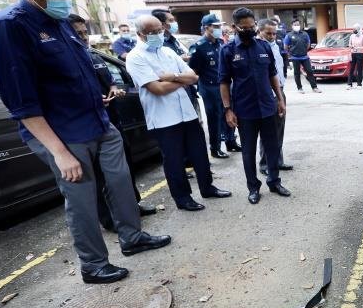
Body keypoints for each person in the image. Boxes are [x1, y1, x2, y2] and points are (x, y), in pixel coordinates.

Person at [0, 0, 170, 284]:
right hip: (64, 133)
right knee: (82, 200)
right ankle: (94, 264)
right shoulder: (11, 26)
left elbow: (74, 73)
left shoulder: (59, 23)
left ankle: (133, 237)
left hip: (99, 121)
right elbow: (20, 101)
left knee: (121, 184)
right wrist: (58, 152)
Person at [126, 14, 231, 211]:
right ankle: (183, 198)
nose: (159, 34)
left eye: (160, 30)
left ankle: (207, 187)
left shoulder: (167, 52)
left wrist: (172, 77)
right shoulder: (135, 57)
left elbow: (193, 77)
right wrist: (180, 81)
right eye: (153, 32)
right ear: (140, 34)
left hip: (186, 113)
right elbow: (156, 89)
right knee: (174, 160)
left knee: (199, 153)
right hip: (163, 118)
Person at [69, 14, 157, 227]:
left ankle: (132, 207)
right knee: (100, 178)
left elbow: (112, 82)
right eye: (77, 33)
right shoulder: (68, 63)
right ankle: (109, 219)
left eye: (84, 32)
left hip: (113, 124)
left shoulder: (95, 57)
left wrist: (114, 90)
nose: (83, 37)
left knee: (123, 170)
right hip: (88, 130)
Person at [219, 8, 290, 203]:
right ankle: (253, 187)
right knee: (248, 152)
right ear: (235, 27)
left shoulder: (264, 47)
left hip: (268, 107)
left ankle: (274, 182)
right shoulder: (227, 51)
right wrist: (228, 110)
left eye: (252, 27)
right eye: (245, 28)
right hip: (245, 110)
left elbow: (272, 75)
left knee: (272, 147)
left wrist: (280, 100)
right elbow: (224, 82)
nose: (249, 30)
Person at [189, 13, 239, 158]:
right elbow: (194, 71)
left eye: (220, 26)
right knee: (215, 119)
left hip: (224, 85)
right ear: (206, 28)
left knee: (229, 113)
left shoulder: (221, 43)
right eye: (215, 26)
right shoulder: (199, 47)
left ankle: (231, 142)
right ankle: (215, 148)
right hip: (209, 87)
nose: (219, 29)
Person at [258, 18, 293, 176]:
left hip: (279, 91)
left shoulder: (276, 45)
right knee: (267, 131)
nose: (272, 36)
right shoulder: (257, 48)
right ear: (260, 31)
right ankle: (265, 163)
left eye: (274, 33)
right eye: (268, 33)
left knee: (279, 129)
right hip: (267, 94)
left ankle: (277, 161)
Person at [284, 19, 321, 94]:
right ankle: (300, 88)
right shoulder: (289, 35)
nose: (297, 26)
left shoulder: (305, 34)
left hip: (304, 57)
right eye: (295, 24)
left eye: (298, 24)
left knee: (310, 71)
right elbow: (285, 46)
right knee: (297, 73)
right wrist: (290, 53)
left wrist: (304, 50)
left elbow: (308, 44)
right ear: (292, 26)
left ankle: (314, 87)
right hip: (295, 57)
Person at [347, 24, 363, 89]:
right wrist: (351, 46)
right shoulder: (352, 36)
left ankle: (359, 84)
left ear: (358, 29)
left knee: (359, 69)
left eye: (355, 29)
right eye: (353, 29)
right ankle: (349, 84)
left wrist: (359, 47)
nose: (353, 30)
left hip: (360, 54)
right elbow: (349, 44)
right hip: (353, 53)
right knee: (351, 69)